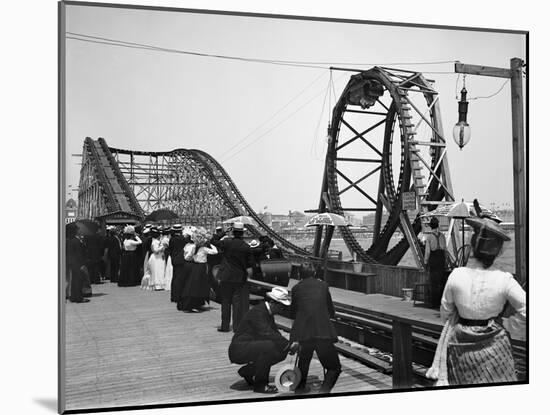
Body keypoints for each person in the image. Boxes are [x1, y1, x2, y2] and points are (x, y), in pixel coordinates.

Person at [426, 217, 526, 386]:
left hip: (460, 349)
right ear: (497, 252)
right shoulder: (504, 280)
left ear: (472, 246)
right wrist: (508, 325)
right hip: (496, 349)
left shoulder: (456, 275)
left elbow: (445, 313)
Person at [289, 263, 341, 394]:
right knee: (334, 367)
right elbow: (330, 309)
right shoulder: (323, 286)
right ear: (314, 273)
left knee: (304, 361)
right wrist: (330, 315)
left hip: (304, 332)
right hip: (322, 331)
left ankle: (299, 389)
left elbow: (292, 312)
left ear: (300, 274)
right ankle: (324, 392)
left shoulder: (296, 288)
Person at [228, 287, 291, 393]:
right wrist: (288, 344)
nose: (282, 310)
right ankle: (261, 385)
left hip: (250, 346)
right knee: (269, 346)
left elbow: (275, 333)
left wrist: (288, 346)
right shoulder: (259, 312)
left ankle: (248, 371)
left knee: (281, 351)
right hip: (239, 349)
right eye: (281, 307)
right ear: (272, 302)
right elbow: (267, 332)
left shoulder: (266, 312)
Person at [211, 222, 254, 332]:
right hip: (239, 278)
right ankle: (237, 327)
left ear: (233, 232)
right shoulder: (246, 247)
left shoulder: (227, 242)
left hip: (225, 276)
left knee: (225, 302)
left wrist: (223, 232)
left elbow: (213, 240)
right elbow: (250, 266)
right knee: (237, 304)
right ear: (243, 233)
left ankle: (225, 326)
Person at [180, 227, 218, 312]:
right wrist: (211, 243)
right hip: (202, 267)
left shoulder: (193, 248)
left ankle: (193, 304)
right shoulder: (204, 249)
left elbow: (187, 257)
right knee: (201, 286)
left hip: (195, 267)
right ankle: (198, 304)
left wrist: (192, 257)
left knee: (193, 286)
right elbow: (215, 252)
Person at [424, 217, 448, 307]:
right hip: (441, 258)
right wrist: (445, 261)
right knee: (441, 281)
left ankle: (434, 302)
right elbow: (445, 250)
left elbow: (427, 252)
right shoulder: (442, 236)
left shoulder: (429, 237)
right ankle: (441, 301)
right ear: (438, 225)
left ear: (431, 226)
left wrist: (426, 262)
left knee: (434, 282)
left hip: (433, 259)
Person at [66, 223, 90, 303]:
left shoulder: (71, 240)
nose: (79, 230)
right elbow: (79, 254)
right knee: (78, 281)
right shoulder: (76, 241)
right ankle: (78, 297)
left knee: (74, 281)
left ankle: (73, 297)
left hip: (73, 263)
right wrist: (82, 264)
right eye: (77, 229)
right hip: (78, 264)